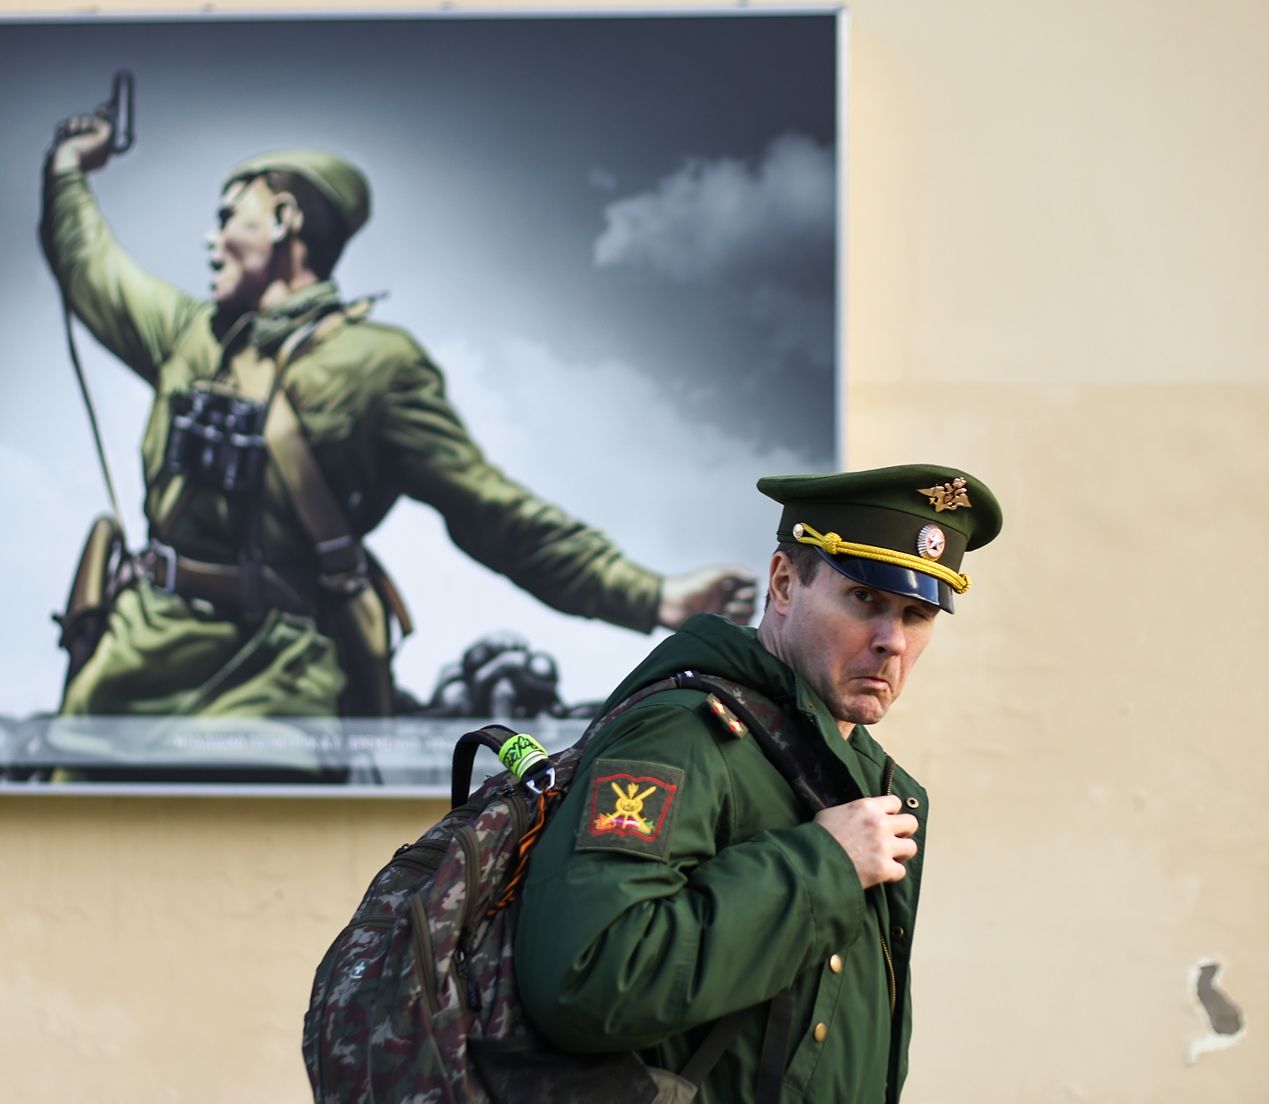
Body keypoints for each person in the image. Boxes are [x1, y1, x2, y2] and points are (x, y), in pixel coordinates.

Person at [39, 114, 757, 719]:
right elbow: (90, 265)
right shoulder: (189, 335)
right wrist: (69, 168)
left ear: (286, 219)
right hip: (131, 660)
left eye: (229, 216)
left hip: (274, 683)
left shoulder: (378, 365)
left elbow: (491, 511)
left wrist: (650, 596)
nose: (210, 238)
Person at [515, 464, 1002, 1104]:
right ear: (782, 583)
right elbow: (586, 975)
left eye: (916, 616)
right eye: (863, 598)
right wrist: (821, 869)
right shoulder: (683, 736)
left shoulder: (877, 787)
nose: (890, 641)